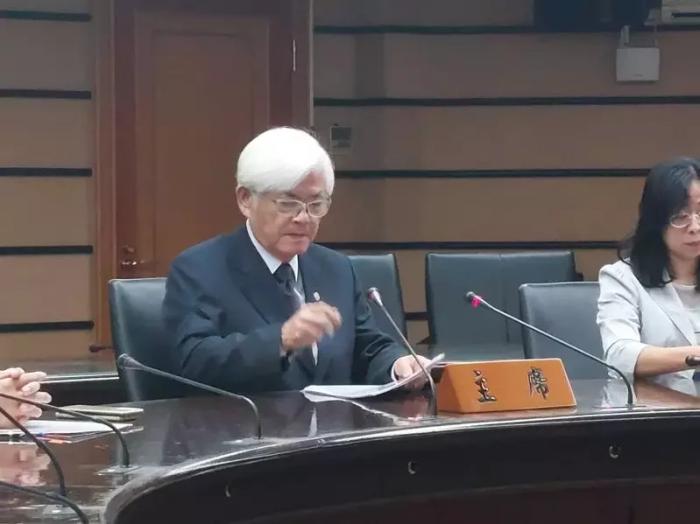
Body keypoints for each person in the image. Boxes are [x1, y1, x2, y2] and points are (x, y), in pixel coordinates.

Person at [163, 127, 429, 393]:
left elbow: (365, 347)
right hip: (248, 418)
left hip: (336, 418)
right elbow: (195, 361)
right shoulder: (200, 269)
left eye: (316, 204)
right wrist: (281, 339)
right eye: (288, 204)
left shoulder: (336, 269)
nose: (303, 218)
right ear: (245, 200)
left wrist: (396, 363)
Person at [597, 157, 700, 386]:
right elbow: (620, 355)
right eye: (681, 216)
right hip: (659, 405)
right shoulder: (622, 278)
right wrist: (694, 356)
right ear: (656, 221)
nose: (695, 227)